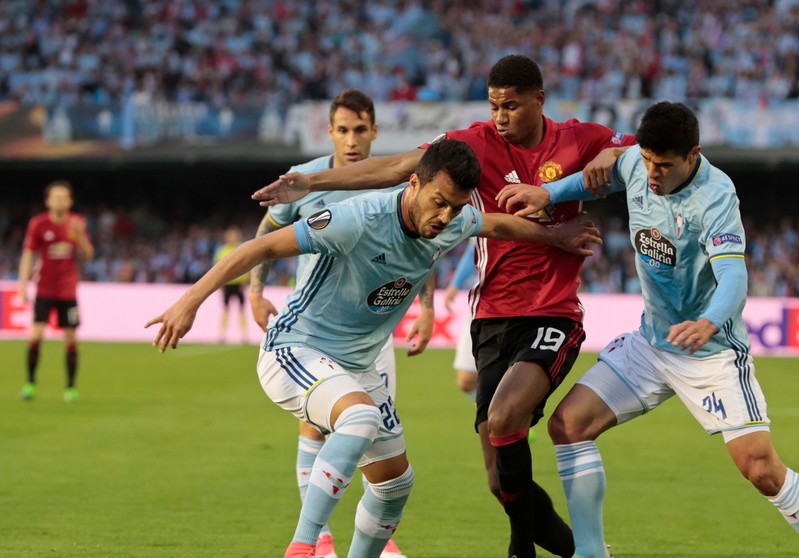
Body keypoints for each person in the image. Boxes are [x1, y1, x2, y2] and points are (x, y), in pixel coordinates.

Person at [252, 54, 636, 558]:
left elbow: (645, 151)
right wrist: (313, 182)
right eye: (494, 105)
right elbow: (394, 167)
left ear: (539, 100)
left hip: (551, 310)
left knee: (503, 419)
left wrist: (618, 154)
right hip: (492, 316)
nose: (500, 116)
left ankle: (520, 548)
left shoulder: (579, 138)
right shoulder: (472, 143)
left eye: (511, 105)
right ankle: (587, 552)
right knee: (500, 481)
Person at [147, 139, 602, 558]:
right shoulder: (356, 220)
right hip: (297, 348)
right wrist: (188, 303)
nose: (445, 216)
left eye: (456, 206)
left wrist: (554, 237)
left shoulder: (455, 219)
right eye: (438, 202)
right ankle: (303, 547)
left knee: (394, 485)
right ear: (413, 183)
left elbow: (496, 224)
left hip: (359, 364)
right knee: (359, 418)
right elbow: (260, 247)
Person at [496, 101, 799, 557]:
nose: (652, 174)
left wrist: (708, 321)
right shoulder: (636, 163)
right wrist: (550, 194)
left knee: (760, 468)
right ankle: (590, 552)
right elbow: (597, 179)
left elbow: (735, 278)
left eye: (663, 166)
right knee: (568, 424)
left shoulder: (717, 195)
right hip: (652, 345)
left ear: (693, 155)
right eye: (646, 161)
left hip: (710, 354)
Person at [248, 88, 426, 558]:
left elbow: (421, 245)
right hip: (316, 327)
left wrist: (424, 309)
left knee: (371, 440)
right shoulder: (305, 179)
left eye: (360, 130)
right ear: (330, 132)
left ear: (375, 132)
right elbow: (266, 234)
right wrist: (255, 290)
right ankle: (318, 538)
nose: (351, 140)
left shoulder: (395, 181)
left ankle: (377, 539)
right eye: (343, 130)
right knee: (321, 426)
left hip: (374, 330)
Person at [18, 180, 94, 403]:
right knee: (36, 334)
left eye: (64, 197)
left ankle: (70, 388)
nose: (60, 200)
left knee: (70, 338)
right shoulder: (38, 224)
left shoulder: (77, 223)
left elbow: (88, 255)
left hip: (68, 291)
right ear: (48, 201)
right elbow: (28, 254)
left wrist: (79, 237)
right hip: (44, 288)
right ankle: (30, 383)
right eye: (56, 197)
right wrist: (23, 285)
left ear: (70, 201)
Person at [444, 239, 478, 400]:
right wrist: (455, 284)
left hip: (521, 308)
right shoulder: (483, 214)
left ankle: (515, 423)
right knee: (467, 380)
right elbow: (474, 249)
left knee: (503, 381)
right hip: (480, 306)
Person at [214, 226, 250, 344]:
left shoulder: (242, 248)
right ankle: (222, 335)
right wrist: (219, 284)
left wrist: (246, 281)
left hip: (239, 284)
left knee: (241, 310)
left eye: (233, 235)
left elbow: (248, 265)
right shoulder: (222, 250)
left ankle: (244, 335)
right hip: (227, 284)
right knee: (225, 310)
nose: (231, 238)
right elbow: (217, 268)